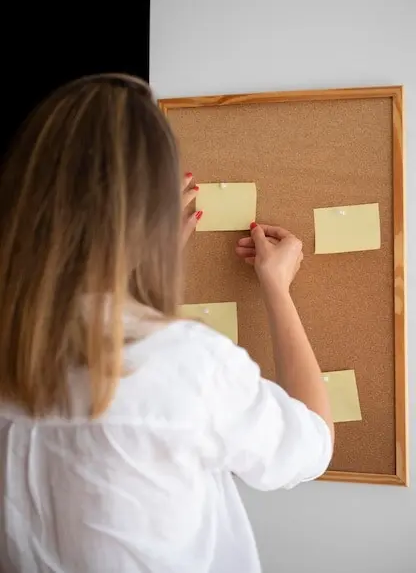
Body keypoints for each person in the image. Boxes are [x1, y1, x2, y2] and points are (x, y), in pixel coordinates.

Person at [0, 74, 334, 573]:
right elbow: (313, 444)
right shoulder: (184, 362)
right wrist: (276, 286)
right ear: (145, 214)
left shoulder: (16, 347)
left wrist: (136, 264)